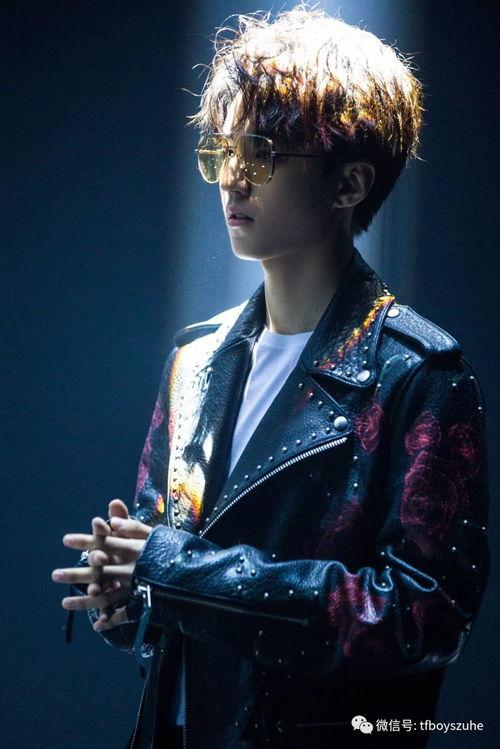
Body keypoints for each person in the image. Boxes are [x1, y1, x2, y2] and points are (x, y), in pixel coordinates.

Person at [52, 5, 490, 748]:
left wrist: (173, 570)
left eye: (261, 152)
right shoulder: (195, 362)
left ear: (349, 183)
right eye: (221, 148)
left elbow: (423, 616)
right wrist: (125, 595)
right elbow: (164, 577)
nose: (231, 176)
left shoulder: (417, 375)